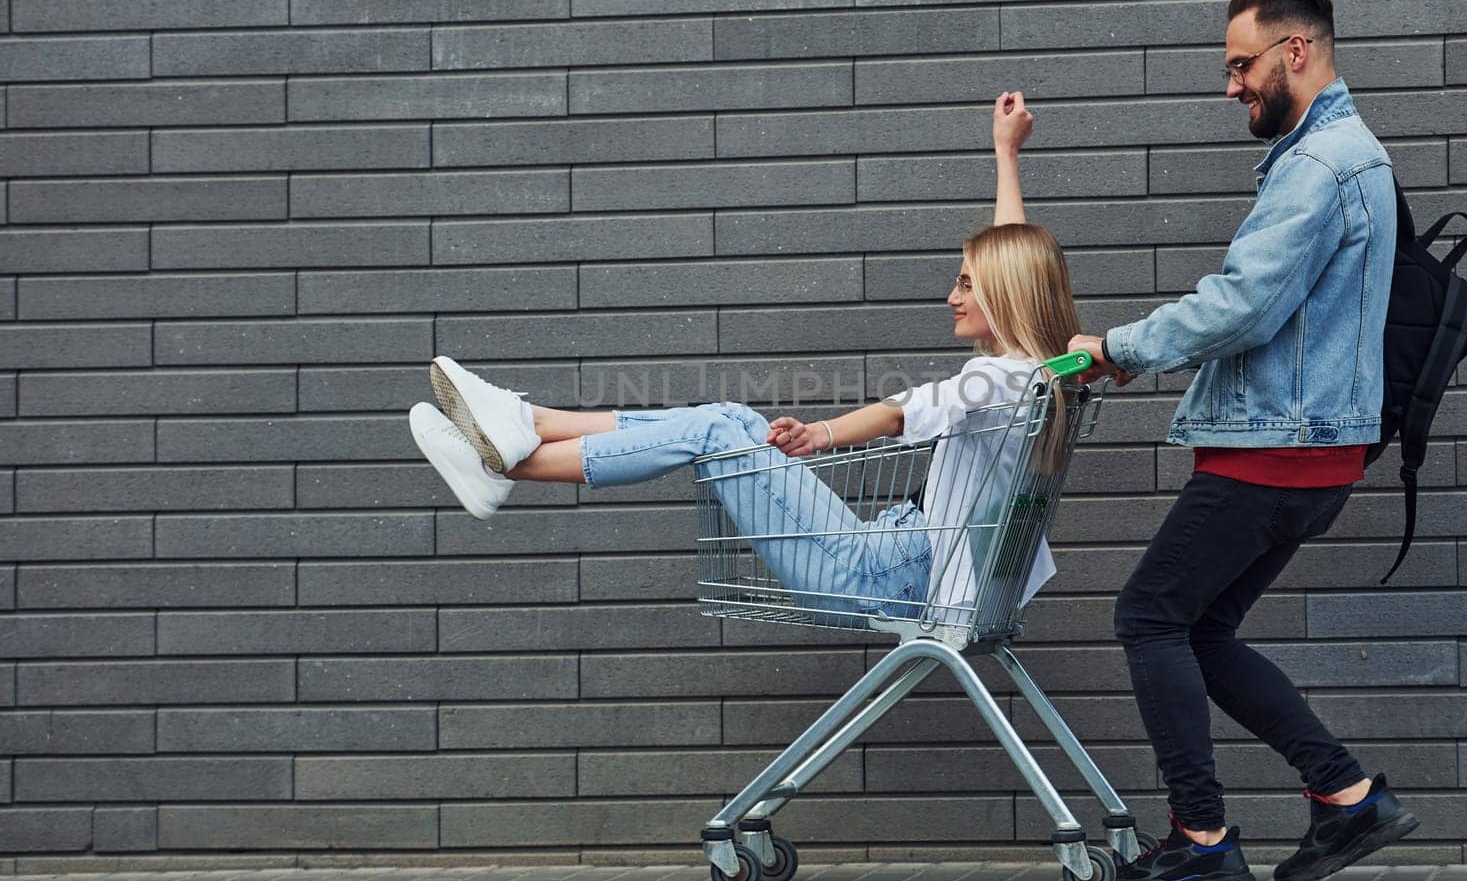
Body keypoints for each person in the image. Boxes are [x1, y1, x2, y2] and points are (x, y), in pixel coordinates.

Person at [409, 96, 1081, 624]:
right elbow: (1011, 261)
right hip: (886, 558)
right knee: (728, 417)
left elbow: (907, 409)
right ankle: (519, 431)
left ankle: (514, 450)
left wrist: (820, 433)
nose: (951, 294)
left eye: (966, 283)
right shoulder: (1037, 373)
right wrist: (1005, 157)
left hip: (877, 574)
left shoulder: (996, 380)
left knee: (713, 431)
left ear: (1002, 292)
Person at [1050, 0, 1419, 881]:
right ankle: (1347, 795)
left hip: (1275, 446)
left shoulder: (1322, 164)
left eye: (1241, 64)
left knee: (1147, 614)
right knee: (1201, 626)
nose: (1232, 86)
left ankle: (1202, 835)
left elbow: (1245, 302)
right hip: (1308, 451)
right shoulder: (1342, 156)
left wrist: (1118, 347)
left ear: (1297, 49)